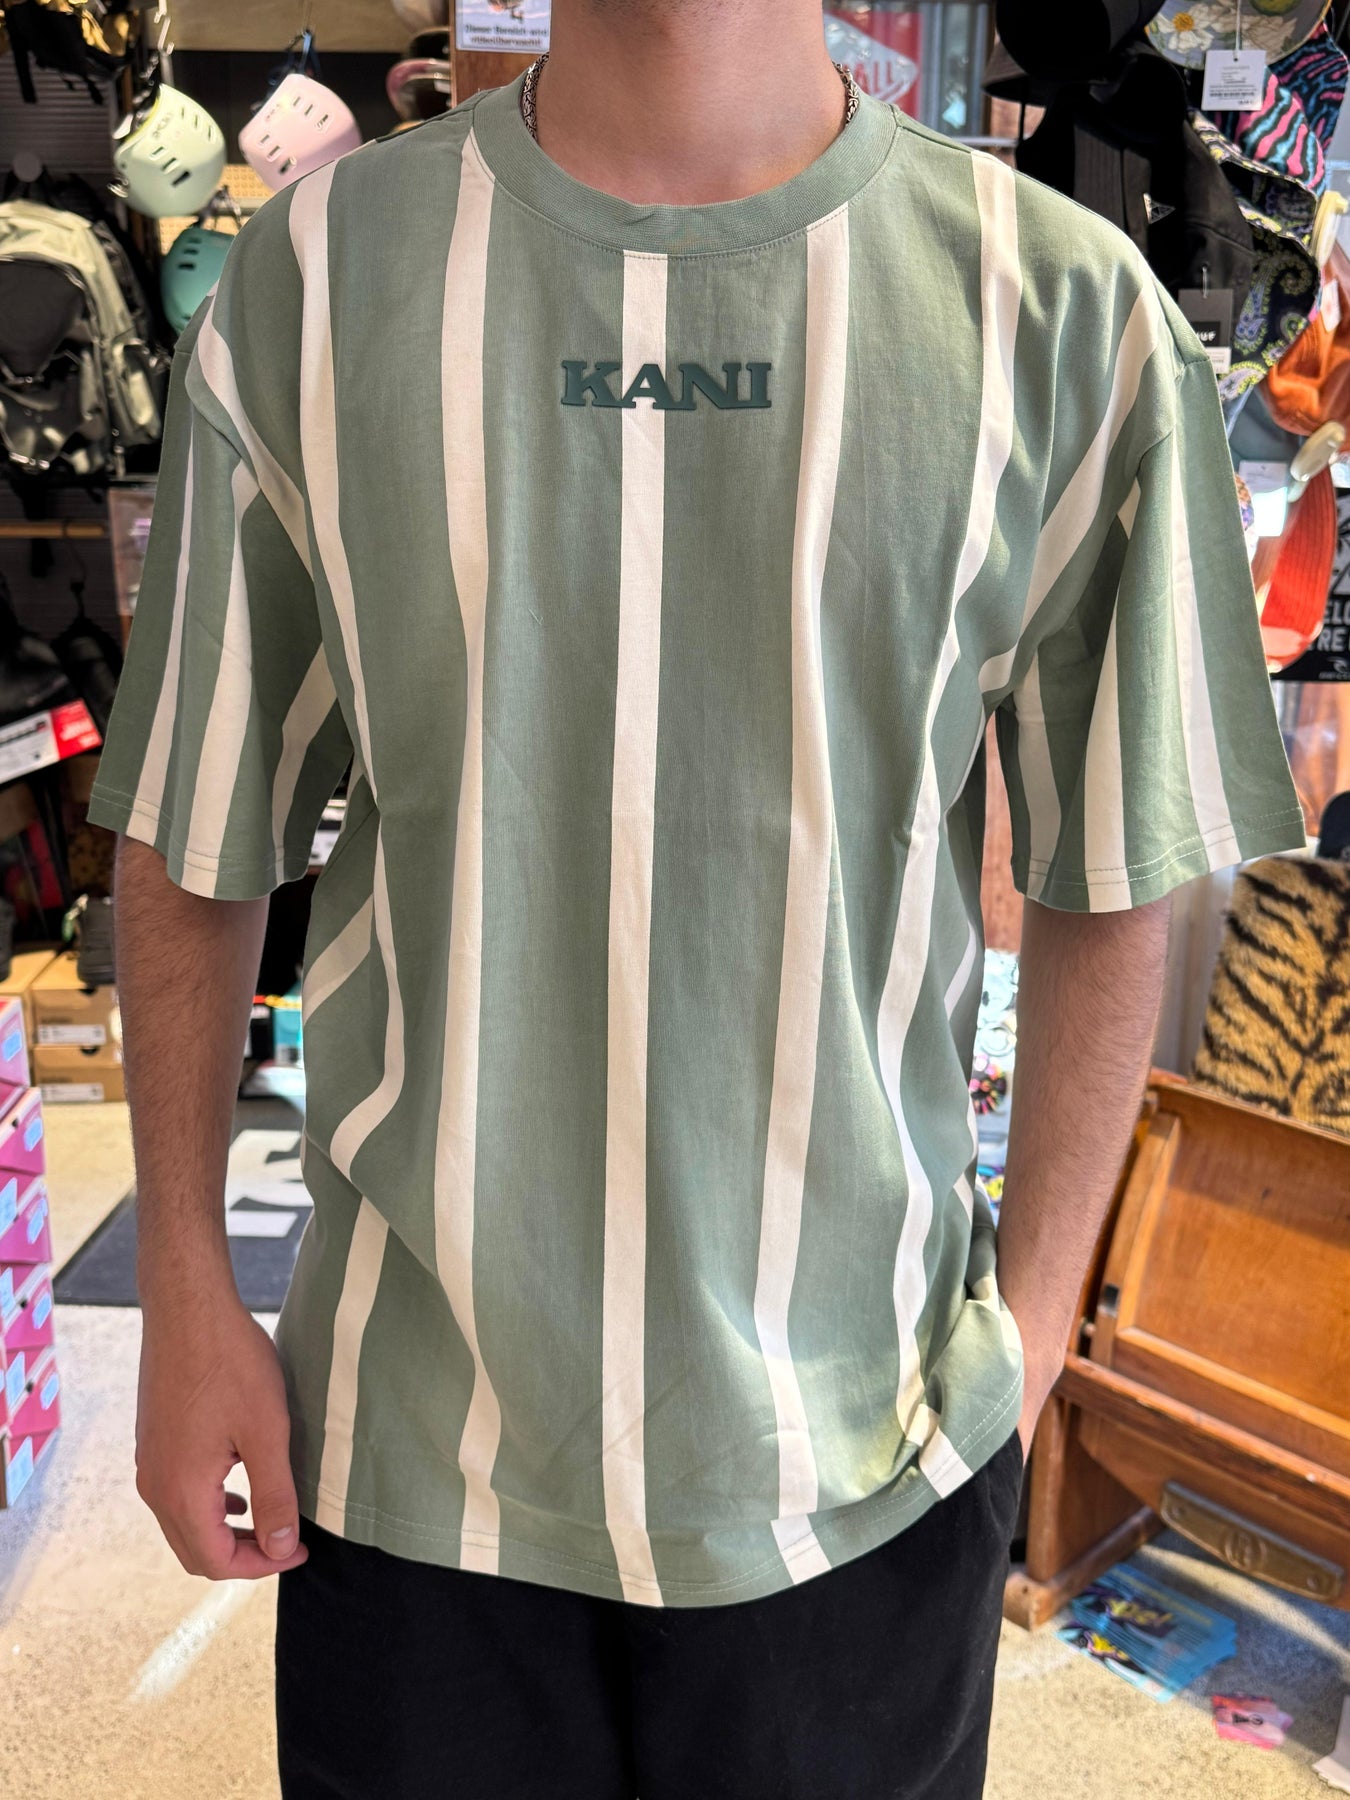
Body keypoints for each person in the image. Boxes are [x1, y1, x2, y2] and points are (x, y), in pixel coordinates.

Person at [88, 2, 1306, 1795]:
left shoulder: (1060, 307)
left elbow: (1114, 866)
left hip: (864, 1451)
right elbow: (193, 822)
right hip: (415, 1446)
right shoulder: (316, 279)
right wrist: (186, 1274)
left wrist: (1036, 1328)